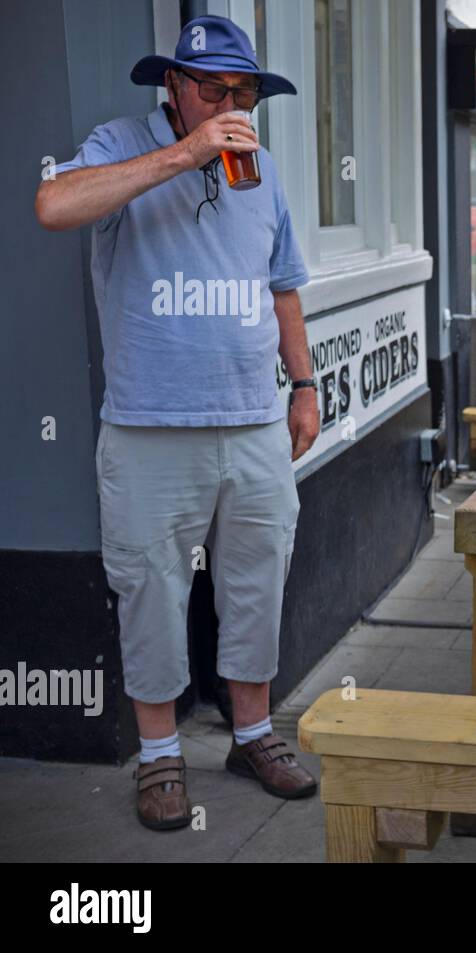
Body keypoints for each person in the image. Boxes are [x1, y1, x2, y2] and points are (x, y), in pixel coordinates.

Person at [33, 15, 319, 830]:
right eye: (213, 88)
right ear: (173, 87)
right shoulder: (120, 141)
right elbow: (54, 204)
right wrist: (182, 155)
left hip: (254, 417)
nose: (231, 103)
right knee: (150, 588)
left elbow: (285, 284)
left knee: (259, 576)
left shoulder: (263, 169)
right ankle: (160, 755)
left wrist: (303, 384)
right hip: (150, 422)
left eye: (244, 92)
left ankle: (253, 731)